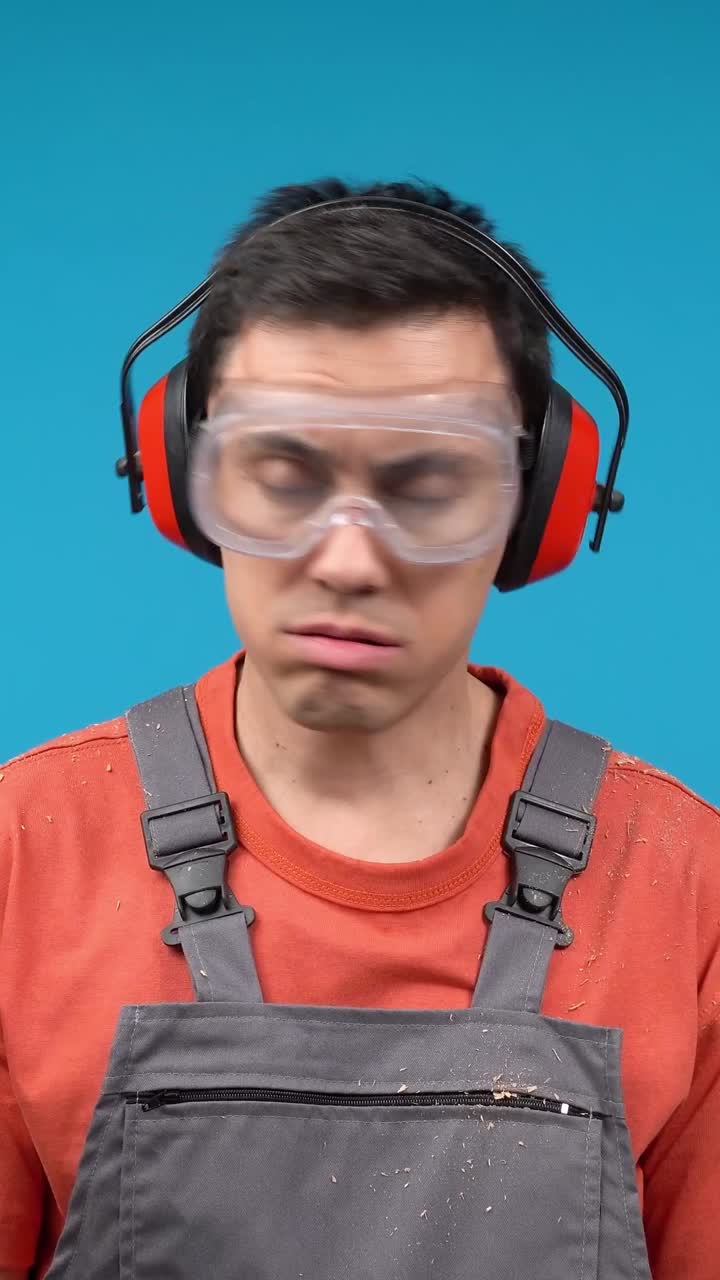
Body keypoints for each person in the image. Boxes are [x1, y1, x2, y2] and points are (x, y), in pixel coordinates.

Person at [0, 179, 717, 1280]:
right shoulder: (25, 850)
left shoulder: (687, 886)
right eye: (282, 476)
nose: (346, 558)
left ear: (540, 509)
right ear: (188, 481)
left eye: (428, 484)